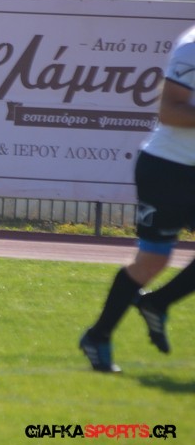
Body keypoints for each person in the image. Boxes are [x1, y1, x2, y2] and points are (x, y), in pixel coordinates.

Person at [80, 23, 195, 372]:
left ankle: (157, 303)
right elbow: (169, 111)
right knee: (152, 261)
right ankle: (98, 336)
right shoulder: (192, 45)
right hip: (168, 169)